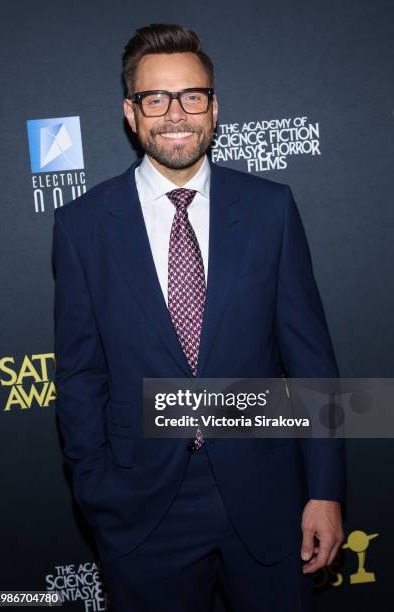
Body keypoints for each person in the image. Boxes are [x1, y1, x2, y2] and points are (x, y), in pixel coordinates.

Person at [52, 23, 346, 612]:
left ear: (215, 109)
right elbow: (81, 374)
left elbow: (311, 362)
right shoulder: (82, 226)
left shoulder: (271, 209)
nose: (175, 114)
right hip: (141, 508)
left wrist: (325, 491)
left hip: (267, 497)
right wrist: (96, 489)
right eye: (154, 98)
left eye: (192, 96)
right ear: (130, 114)